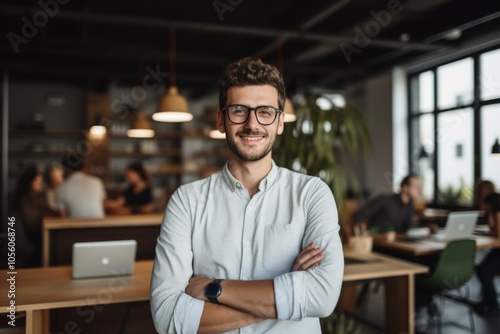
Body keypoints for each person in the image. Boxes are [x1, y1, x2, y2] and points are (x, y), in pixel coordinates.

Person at [150, 57, 344, 333]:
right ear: (221, 120)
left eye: (265, 112)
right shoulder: (187, 201)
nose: (252, 124)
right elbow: (167, 316)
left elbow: (322, 297)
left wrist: (214, 289)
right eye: (239, 111)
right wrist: (287, 297)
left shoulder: (311, 193)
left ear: (279, 122)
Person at [12, 166, 56, 266]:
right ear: (29, 183)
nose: (40, 183)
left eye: (41, 180)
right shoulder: (25, 199)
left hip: (37, 231)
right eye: (37, 180)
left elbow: (48, 210)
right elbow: (31, 222)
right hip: (34, 233)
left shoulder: (38, 197)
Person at [353, 174, 422, 234]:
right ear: (405, 188)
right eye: (416, 187)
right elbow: (358, 215)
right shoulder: (385, 200)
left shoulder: (409, 206)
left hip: (396, 244)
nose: (419, 191)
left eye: (419, 188)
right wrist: (362, 232)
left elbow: (407, 229)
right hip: (377, 242)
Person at [474, 192, 500, 316]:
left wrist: (491, 212)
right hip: (498, 249)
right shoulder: (495, 212)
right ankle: (487, 301)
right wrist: (490, 212)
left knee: (483, 270)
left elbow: (498, 234)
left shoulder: (498, 212)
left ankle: (493, 304)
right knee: (482, 268)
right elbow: (492, 228)